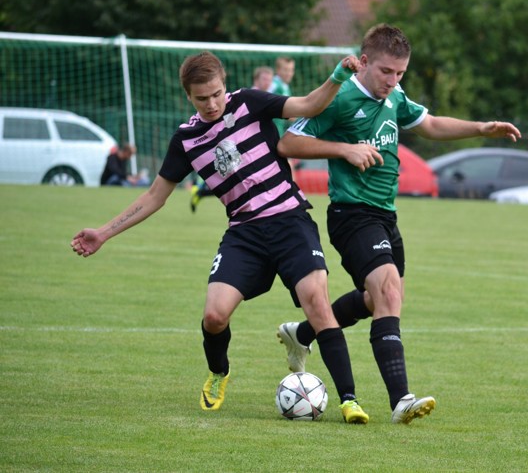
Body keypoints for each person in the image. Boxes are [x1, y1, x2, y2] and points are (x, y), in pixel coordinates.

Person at [71, 51, 372, 424]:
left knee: (317, 303)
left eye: (216, 94)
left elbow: (309, 105)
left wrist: (338, 75)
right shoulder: (186, 140)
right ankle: (218, 371)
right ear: (188, 96)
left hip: (290, 221)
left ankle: (349, 400)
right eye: (202, 98)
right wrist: (103, 233)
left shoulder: (250, 102)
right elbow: (154, 197)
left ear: (224, 85)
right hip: (244, 233)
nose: (212, 104)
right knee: (214, 316)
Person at [276, 23, 521, 424]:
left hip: (386, 215)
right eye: (386, 72)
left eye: (400, 73)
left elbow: (430, 124)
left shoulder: (395, 96)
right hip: (352, 214)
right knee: (389, 291)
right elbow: (288, 142)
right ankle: (401, 400)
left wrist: (481, 128)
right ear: (364, 62)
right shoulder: (340, 98)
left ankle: (302, 334)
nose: (392, 81)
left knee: (378, 300)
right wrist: (344, 150)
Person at [190, 65, 275, 213]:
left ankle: (201, 190)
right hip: (245, 146)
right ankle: (201, 190)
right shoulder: (250, 96)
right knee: (236, 181)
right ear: (256, 80)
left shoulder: (267, 95)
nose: (267, 82)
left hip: (261, 143)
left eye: (269, 79)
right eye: (264, 79)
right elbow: (230, 120)